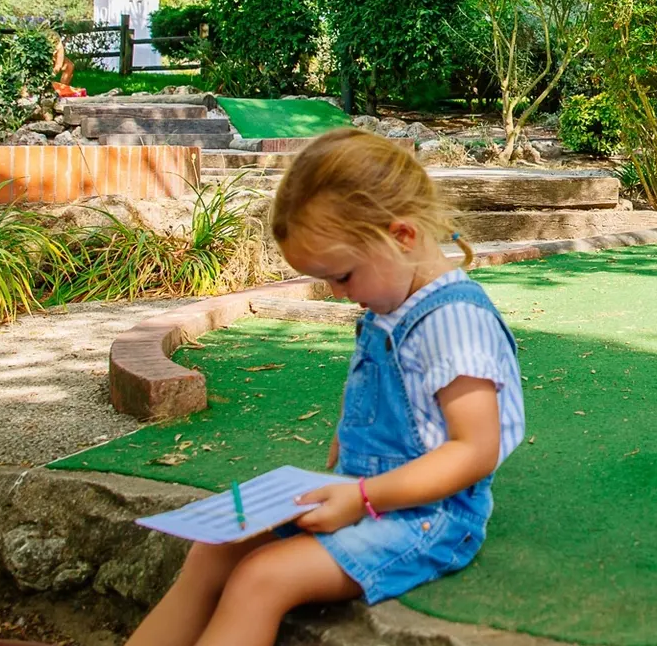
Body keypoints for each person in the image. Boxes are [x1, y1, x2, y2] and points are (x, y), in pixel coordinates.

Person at [125, 129, 525, 646]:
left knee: (259, 579)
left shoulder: (454, 322)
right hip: (365, 493)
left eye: (342, 276)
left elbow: (474, 451)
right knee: (211, 553)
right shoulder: (390, 300)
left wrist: (364, 496)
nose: (338, 294)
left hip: (430, 519)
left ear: (401, 236)